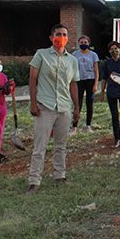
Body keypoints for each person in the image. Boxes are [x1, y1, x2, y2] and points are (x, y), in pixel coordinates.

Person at [27, 24, 80, 193]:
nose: (61, 37)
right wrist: (33, 103)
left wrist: (77, 107)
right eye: (58, 34)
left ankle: (60, 176)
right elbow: (32, 79)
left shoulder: (72, 60)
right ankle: (34, 181)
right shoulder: (41, 55)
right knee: (40, 146)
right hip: (45, 107)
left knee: (61, 145)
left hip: (64, 107)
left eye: (64, 34)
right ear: (51, 37)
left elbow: (73, 84)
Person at [71, 35, 99, 135]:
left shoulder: (93, 55)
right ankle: (74, 127)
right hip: (79, 80)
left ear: (89, 43)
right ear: (79, 43)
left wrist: (96, 84)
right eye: (81, 42)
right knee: (77, 103)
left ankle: (88, 125)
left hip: (90, 80)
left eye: (85, 42)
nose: (83, 44)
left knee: (89, 103)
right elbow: (72, 68)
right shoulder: (74, 54)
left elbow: (96, 70)